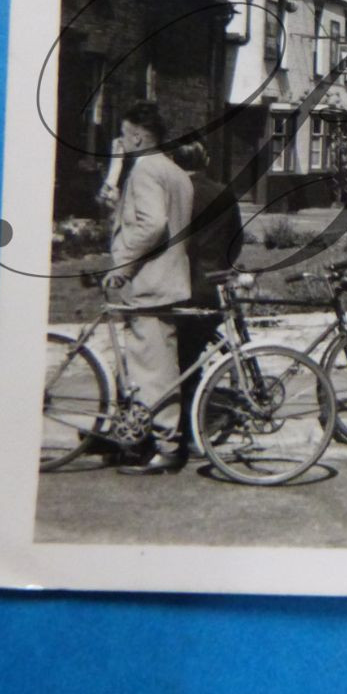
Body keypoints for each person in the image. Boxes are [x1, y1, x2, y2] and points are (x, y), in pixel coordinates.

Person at [102, 102, 194, 475]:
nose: (120, 142)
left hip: (149, 284)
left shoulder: (143, 170)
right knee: (155, 365)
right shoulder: (176, 172)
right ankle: (142, 438)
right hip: (169, 279)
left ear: (137, 136)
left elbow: (152, 225)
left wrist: (123, 266)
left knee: (152, 370)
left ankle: (167, 446)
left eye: (124, 136)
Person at [169, 138, 244, 462]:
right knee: (192, 357)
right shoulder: (222, 193)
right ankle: (194, 421)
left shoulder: (173, 194)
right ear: (206, 160)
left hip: (177, 288)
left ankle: (182, 429)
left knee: (177, 359)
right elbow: (236, 240)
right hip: (211, 288)